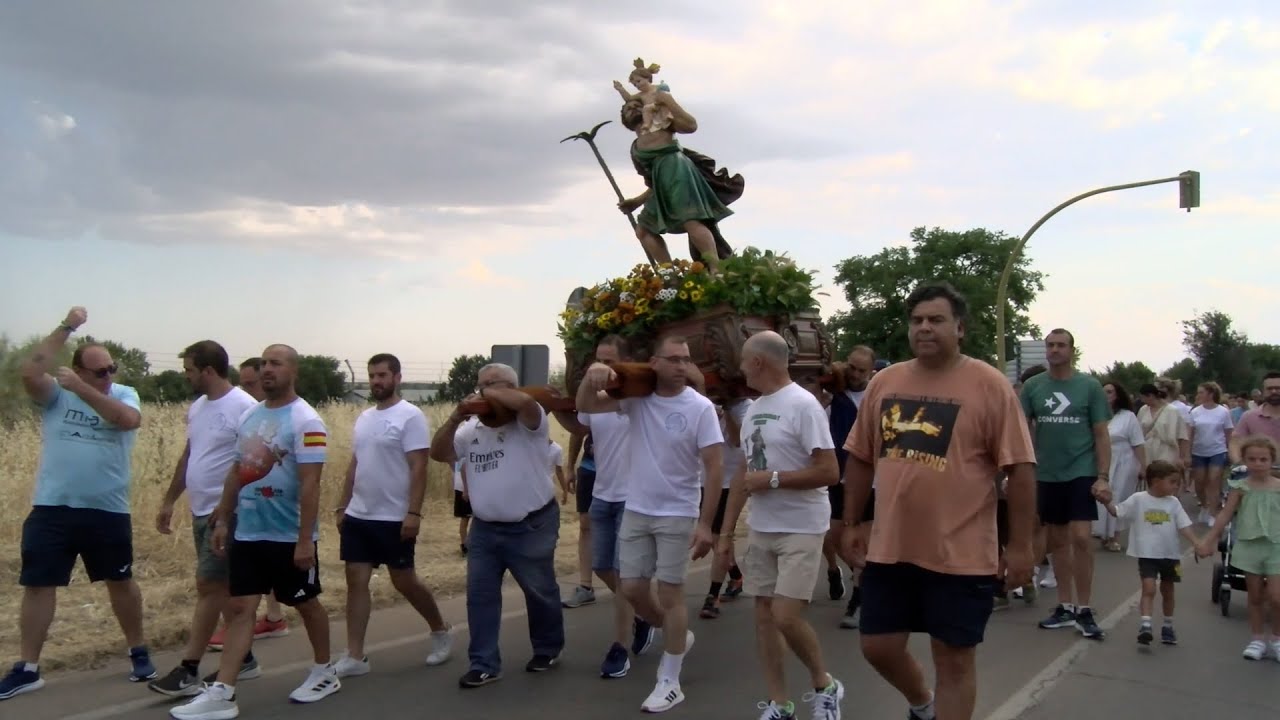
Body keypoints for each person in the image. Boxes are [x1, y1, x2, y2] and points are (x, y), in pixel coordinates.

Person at [841, 283, 1037, 720]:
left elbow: (1021, 469)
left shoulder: (988, 385)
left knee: (954, 661)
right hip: (891, 549)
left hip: (961, 554)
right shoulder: (885, 382)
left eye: (936, 319)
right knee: (877, 646)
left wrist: (1021, 546)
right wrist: (850, 522)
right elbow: (860, 457)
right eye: (917, 320)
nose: (924, 327)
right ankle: (923, 704)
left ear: (960, 328)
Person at [171, 344, 339, 719]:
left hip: (288, 535)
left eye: (275, 363)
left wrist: (304, 540)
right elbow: (237, 469)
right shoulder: (250, 415)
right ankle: (223, 692)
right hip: (248, 531)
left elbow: (311, 484)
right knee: (240, 607)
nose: (266, 369)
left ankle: (324, 671)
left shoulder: (307, 421)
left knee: (306, 604)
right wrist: (223, 517)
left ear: (293, 371)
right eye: (263, 363)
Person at [2, 307, 154, 702]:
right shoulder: (56, 395)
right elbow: (29, 372)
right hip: (52, 507)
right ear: (78, 371)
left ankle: (138, 650)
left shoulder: (123, 394)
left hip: (107, 508)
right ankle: (27, 668)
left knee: (120, 581)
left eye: (112, 368)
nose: (109, 376)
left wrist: (85, 389)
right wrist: (67, 326)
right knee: (38, 584)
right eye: (99, 371)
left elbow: (127, 420)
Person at [578, 335, 724, 713]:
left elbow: (714, 467)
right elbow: (586, 405)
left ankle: (670, 681)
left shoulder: (700, 407)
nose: (681, 366)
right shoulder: (637, 400)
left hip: (678, 511)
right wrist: (594, 374)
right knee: (631, 588)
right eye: (673, 359)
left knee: (672, 594)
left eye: (685, 360)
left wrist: (706, 525)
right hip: (638, 509)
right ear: (654, 363)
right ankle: (676, 633)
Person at [716, 331, 844, 720]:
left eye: (743, 361)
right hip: (763, 527)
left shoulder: (803, 406)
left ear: (758, 362)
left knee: (785, 616)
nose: (740, 369)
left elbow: (830, 471)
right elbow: (743, 474)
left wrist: (773, 479)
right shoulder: (754, 410)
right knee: (764, 618)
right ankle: (780, 704)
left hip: (802, 526)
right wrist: (725, 534)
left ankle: (825, 685)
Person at [428, 363, 564, 689]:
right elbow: (438, 452)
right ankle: (484, 663)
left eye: (494, 384)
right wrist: (456, 416)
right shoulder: (470, 429)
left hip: (532, 524)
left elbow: (527, 403)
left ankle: (547, 647)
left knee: (540, 591)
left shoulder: (530, 421)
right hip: (485, 529)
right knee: (480, 596)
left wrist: (491, 393)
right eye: (481, 385)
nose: (484, 391)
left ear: (512, 387)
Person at [149, 341, 261, 697]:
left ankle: (189, 668)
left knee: (209, 586)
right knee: (223, 590)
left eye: (189, 370)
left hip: (227, 514)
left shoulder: (244, 407)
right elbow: (190, 455)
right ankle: (244, 659)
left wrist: (227, 509)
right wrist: (170, 500)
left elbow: (252, 463)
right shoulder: (198, 407)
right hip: (201, 511)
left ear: (208, 370)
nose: (186, 376)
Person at [332, 353, 452, 678]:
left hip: (394, 516)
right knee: (356, 581)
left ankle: (440, 629)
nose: (376, 381)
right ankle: (355, 655)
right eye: (372, 376)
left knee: (404, 581)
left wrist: (413, 513)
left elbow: (419, 467)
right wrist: (342, 505)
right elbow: (355, 464)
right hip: (360, 514)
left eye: (382, 375)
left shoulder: (410, 416)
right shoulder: (364, 417)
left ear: (397, 378)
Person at [553, 335, 657, 679]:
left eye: (610, 361)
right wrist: (558, 400)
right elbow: (581, 419)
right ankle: (645, 614)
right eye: (598, 359)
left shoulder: (637, 398)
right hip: (603, 493)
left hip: (633, 496)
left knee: (623, 572)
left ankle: (619, 648)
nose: (602, 367)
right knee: (600, 567)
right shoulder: (597, 399)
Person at [1019, 328, 1112, 640]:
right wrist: (1020, 471)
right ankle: (1065, 606)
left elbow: (1101, 433)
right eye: (1050, 345)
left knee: (1082, 537)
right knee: (1058, 540)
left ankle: (1085, 609)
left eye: (1061, 345)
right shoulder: (1033, 386)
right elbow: (1022, 430)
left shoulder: (1089, 386)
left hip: (1081, 470)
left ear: (1072, 350)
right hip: (1047, 473)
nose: (1055, 350)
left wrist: (1103, 476)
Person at [207, 357, 290, 650]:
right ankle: (268, 618)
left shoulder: (274, 415)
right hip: (243, 499)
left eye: (251, 383)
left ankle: (252, 624)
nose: (248, 390)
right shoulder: (248, 413)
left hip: (268, 504)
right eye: (243, 384)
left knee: (250, 567)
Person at [616, 93, 742, 270]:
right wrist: (637, 202)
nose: (633, 109)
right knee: (643, 230)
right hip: (662, 187)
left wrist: (668, 101)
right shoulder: (635, 149)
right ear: (625, 121)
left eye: (637, 106)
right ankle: (669, 274)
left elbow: (691, 125)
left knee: (691, 219)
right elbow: (652, 184)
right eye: (628, 109)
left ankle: (716, 269)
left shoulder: (662, 125)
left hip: (678, 172)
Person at [1197, 436, 1280, 661]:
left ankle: (1276, 638)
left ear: (1272, 460)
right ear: (1244, 460)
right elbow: (1225, 515)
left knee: (1276, 597)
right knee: (1255, 596)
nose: (1258, 463)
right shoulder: (1240, 487)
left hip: (1276, 546)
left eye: (1263, 459)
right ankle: (1257, 639)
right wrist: (1208, 540)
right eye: (1252, 459)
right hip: (1249, 546)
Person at [1103, 460, 1199, 646]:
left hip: (1170, 556)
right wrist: (1107, 502)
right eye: (1172, 482)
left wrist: (1196, 542)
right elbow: (1118, 512)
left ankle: (1168, 625)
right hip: (1147, 555)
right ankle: (1145, 625)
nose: (1176, 486)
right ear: (1156, 481)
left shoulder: (1174, 503)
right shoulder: (1139, 499)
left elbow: (1184, 526)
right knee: (1149, 588)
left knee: (1168, 591)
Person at [830, 346, 876, 628]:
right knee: (835, 537)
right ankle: (869, 577)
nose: (855, 374)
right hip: (839, 477)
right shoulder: (835, 393)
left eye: (861, 370)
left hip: (870, 480)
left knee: (861, 540)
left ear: (871, 371)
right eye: (852, 367)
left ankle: (859, 601)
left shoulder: (876, 394)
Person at [700, 397, 751, 620]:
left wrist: (727, 412)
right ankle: (736, 575)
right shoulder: (705, 404)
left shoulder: (746, 407)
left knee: (719, 536)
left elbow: (738, 440)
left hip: (732, 482)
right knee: (714, 539)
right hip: (707, 481)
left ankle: (712, 596)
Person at [1093, 382, 1148, 552]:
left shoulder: (1128, 416)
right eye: (1103, 392)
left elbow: (1138, 443)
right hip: (1102, 459)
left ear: (1117, 395)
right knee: (1101, 496)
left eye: (1110, 392)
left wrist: (1143, 466)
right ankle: (1103, 534)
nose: (1106, 395)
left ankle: (1114, 536)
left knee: (1118, 497)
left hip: (1124, 460)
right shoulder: (1095, 414)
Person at [1189, 381, 1234, 526]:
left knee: (1214, 480)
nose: (1198, 395)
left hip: (1217, 450)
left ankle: (1214, 513)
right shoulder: (1195, 412)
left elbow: (1228, 433)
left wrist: (1230, 451)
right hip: (1199, 451)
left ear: (1210, 394)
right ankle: (1204, 505)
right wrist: (1187, 453)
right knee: (1199, 482)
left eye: (1201, 392)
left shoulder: (1223, 411)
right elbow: (1190, 434)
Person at [1231, 372, 1280, 459]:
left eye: (1278, 388)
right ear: (1263, 392)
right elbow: (1235, 443)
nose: (1274, 391)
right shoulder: (1249, 417)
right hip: (1259, 467)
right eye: (1269, 389)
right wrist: (1239, 462)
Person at [453, 458, 472, 555]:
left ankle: (465, 545)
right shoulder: (466, 453)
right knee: (466, 518)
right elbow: (463, 468)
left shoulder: (457, 454)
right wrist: (466, 489)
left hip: (460, 487)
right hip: (466, 488)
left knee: (465, 518)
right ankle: (465, 546)